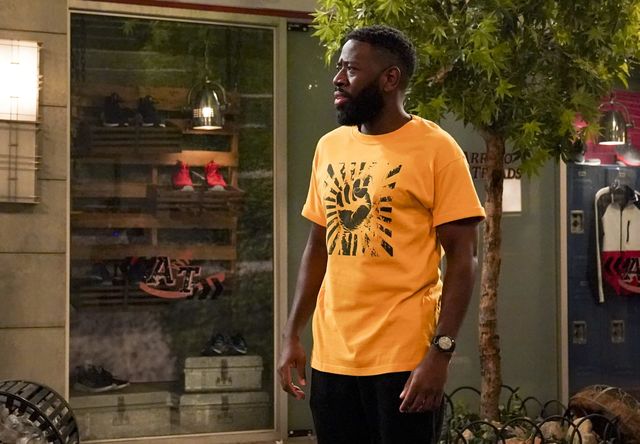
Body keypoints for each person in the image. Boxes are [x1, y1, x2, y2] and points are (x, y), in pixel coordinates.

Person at [277, 25, 485, 443]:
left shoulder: (437, 149)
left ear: (390, 78)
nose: (338, 79)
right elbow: (318, 246)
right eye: (339, 68)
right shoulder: (329, 147)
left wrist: (440, 354)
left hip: (404, 360)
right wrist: (292, 334)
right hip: (333, 357)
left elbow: (464, 258)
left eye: (351, 70)